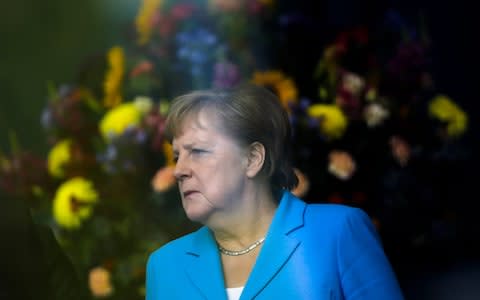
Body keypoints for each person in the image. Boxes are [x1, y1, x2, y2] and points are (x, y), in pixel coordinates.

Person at [146, 84, 404, 299]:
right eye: (177, 156)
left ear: (252, 159)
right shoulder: (165, 266)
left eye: (198, 152)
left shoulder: (337, 232)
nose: (179, 170)